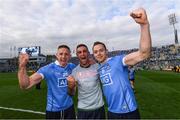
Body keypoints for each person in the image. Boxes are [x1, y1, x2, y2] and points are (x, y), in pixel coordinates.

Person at [92, 8, 151, 119]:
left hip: (128, 112)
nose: (98, 53)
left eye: (101, 50)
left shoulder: (118, 61)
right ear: (93, 55)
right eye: (95, 52)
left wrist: (144, 25)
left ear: (106, 51)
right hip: (111, 112)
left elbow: (144, 53)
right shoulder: (97, 69)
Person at [18, 45, 76, 119]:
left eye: (66, 54)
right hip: (54, 111)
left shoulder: (72, 67)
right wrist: (22, 66)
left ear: (70, 56)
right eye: (61, 54)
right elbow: (25, 85)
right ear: (56, 55)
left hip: (70, 108)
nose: (63, 56)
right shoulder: (48, 69)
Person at [67, 44, 105, 119]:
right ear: (77, 55)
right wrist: (70, 87)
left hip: (99, 108)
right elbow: (71, 94)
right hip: (83, 109)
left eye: (84, 51)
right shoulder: (74, 72)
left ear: (88, 53)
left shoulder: (97, 67)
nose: (82, 54)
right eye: (79, 52)